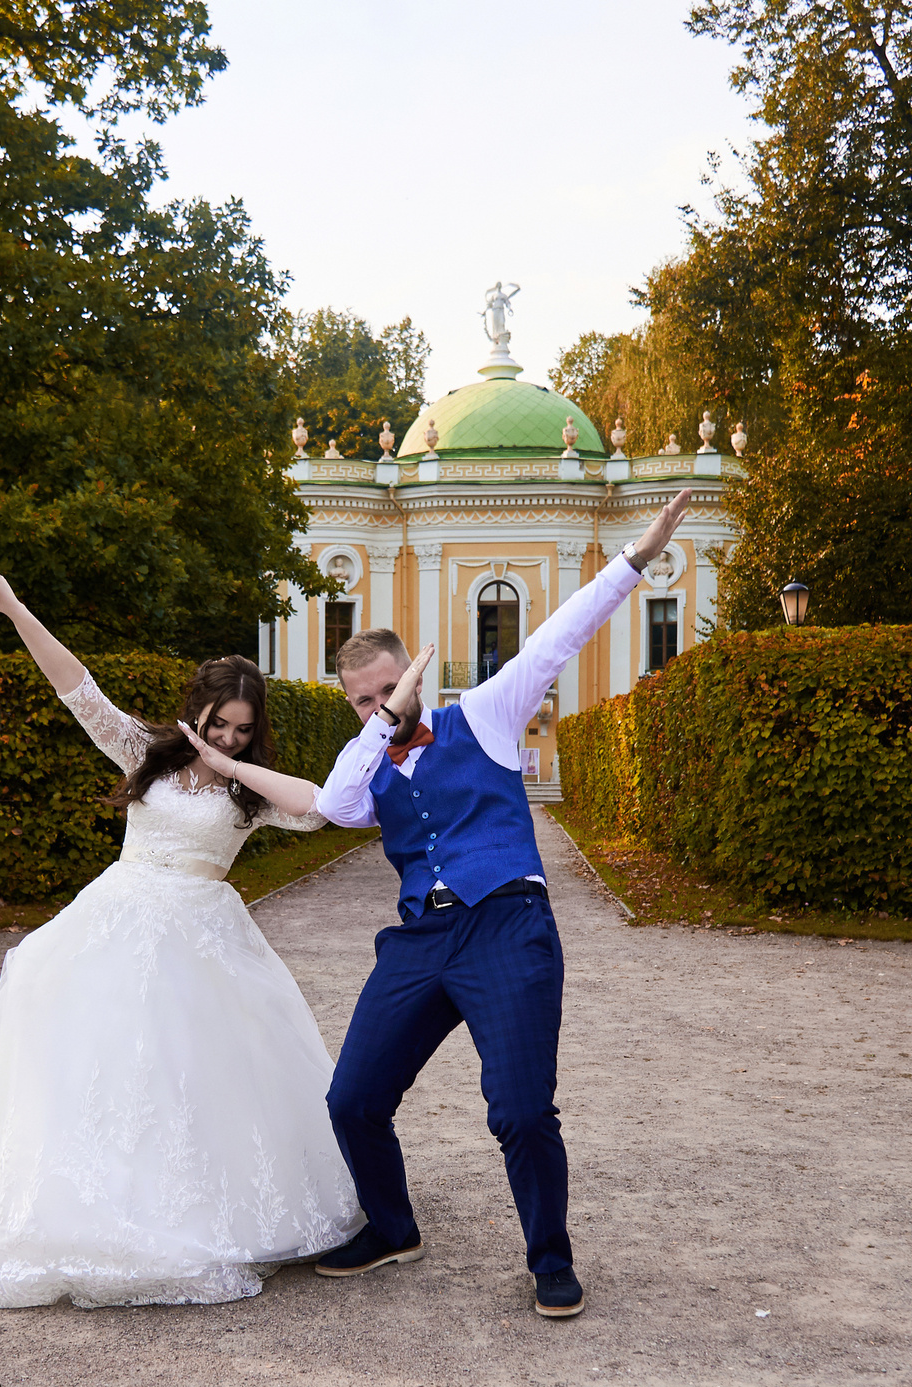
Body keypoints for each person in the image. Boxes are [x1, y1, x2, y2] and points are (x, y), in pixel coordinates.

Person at [0, 571, 364, 1307]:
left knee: (192, 1076)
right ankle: (86, 1206)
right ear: (194, 710)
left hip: (203, 938)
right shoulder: (144, 753)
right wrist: (15, 604)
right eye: (217, 723)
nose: (227, 736)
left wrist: (237, 766)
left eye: (242, 727)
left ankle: (197, 1211)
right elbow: (77, 688)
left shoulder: (249, 791)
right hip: (114, 920)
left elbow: (325, 808)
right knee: (98, 1064)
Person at [296, 490, 695, 1319]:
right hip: (421, 939)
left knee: (519, 1108)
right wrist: (379, 731)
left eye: (388, 690)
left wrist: (639, 553)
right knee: (352, 1100)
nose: (381, 709)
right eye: (362, 700)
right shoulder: (368, 766)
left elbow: (562, 634)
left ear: (414, 670)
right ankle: (393, 1226)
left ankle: (550, 1257)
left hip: (507, 925)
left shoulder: (485, 712)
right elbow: (333, 807)